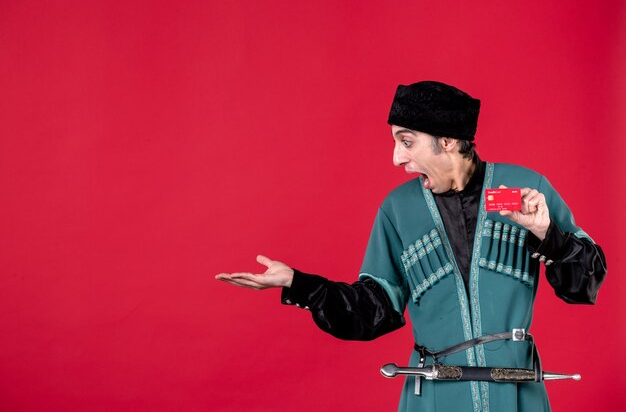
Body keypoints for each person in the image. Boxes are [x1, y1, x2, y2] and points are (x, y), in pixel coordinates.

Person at [216, 81, 607, 412]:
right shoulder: (398, 209)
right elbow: (374, 310)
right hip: (434, 392)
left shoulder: (524, 189)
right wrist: (298, 284)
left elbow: (582, 287)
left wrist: (548, 234)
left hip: (517, 389)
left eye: (407, 142)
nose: (396, 158)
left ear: (449, 141)